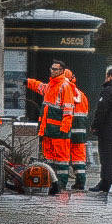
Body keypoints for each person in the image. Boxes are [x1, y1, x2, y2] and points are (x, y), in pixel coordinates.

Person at [25, 60, 75, 190]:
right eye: (51, 68)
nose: (52, 71)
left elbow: (68, 110)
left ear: (62, 71)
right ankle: (52, 183)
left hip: (59, 130)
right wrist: (28, 82)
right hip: (48, 130)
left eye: (55, 69)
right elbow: (40, 87)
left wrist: (64, 128)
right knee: (50, 158)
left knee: (62, 159)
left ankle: (61, 184)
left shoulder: (65, 86)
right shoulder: (51, 85)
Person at [64, 69, 89, 191]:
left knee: (61, 157)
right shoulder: (82, 95)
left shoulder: (64, 92)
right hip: (80, 132)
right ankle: (80, 182)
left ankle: (60, 183)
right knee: (79, 157)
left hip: (67, 130)